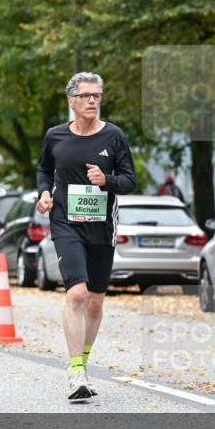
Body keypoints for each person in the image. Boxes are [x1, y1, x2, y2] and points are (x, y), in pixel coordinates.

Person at [36, 72, 136, 401]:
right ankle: (76, 370)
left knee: (94, 301)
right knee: (77, 293)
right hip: (66, 223)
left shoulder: (114, 136)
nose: (92, 100)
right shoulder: (55, 136)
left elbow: (129, 180)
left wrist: (106, 180)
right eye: (86, 96)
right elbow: (44, 170)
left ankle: (84, 362)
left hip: (101, 226)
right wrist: (44, 194)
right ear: (72, 101)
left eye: (97, 95)